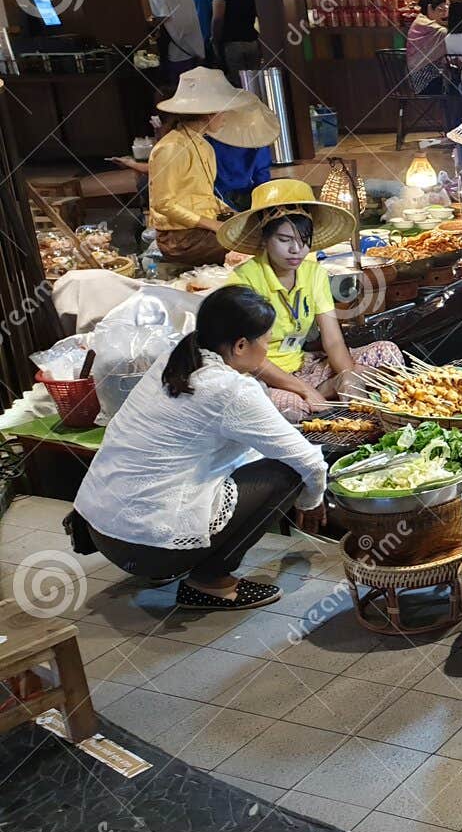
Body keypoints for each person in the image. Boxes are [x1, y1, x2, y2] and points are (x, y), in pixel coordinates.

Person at [70, 287, 328, 612]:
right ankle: (211, 583)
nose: (267, 351)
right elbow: (310, 462)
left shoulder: (178, 355)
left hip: (101, 529)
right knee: (289, 472)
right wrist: (312, 502)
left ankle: (172, 561)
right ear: (240, 345)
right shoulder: (231, 389)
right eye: (267, 341)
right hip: (146, 549)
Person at [219, 180, 404, 421]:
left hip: (304, 366)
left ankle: (329, 391)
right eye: (285, 240)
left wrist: (348, 375)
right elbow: (250, 360)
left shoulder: (313, 273)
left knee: (386, 352)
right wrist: (303, 389)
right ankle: (322, 393)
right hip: (263, 377)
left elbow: (334, 341)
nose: (296, 249)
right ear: (264, 240)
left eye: (304, 240)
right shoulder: (243, 281)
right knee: (291, 407)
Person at [146, 67, 249, 265]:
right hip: (180, 239)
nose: (226, 116)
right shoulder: (171, 148)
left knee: (262, 231)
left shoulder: (203, 145)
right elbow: (163, 204)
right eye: (223, 111)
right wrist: (214, 225)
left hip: (201, 229)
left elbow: (203, 195)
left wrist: (236, 215)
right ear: (208, 113)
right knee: (255, 244)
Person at [206, 95, 278, 211]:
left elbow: (262, 177)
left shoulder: (258, 143)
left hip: (241, 196)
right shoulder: (211, 143)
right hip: (220, 200)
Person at [208, 0, 260, 84]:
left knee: (238, 87)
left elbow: (218, 17)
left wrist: (215, 40)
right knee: (254, 85)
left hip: (232, 44)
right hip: (252, 42)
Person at [405, 0, 450, 92]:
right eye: (440, 10)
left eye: (445, 10)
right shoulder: (435, 29)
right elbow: (446, 36)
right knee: (456, 84)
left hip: (415, 77)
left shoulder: (420, 21)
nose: (444, 14)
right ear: (430, 8)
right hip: (424, 80)